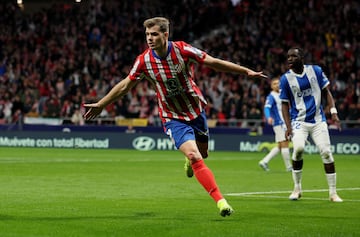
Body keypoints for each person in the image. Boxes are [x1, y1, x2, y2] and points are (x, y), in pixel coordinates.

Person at [83, 17, 267, 217]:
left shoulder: (183, 49)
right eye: (147, 35)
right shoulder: (143, 61)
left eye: (154, 34)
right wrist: (102, 104)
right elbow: (125, 85)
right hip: (172, 116)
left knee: (202, 154)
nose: (150, 39)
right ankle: (221, 201)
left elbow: (213, 62)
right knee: (195, 155)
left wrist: (245, 71)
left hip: (195, 111)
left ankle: (191, 160)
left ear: (165, 34)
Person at [279, 47, 343, 202]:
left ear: (301, 57)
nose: (289, 59)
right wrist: (288, 127)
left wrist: (333, 111)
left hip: (318, 120)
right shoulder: (285, 79)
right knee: (299, 149)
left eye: (293, 56)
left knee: (326, 152)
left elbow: (327, 92)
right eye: (288, 57)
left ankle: (333, 193)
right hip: (298, 121)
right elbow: (285, 105)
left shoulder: (316, 71)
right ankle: (297, 188)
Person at [259, 77, 292, 172]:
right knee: (285, 143)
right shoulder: (271, 96)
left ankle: (264, 161)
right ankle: (289, 167)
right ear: (271, 86)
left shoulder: (283, 95)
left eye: (278, 83)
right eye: (274, 84)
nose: (277, 85)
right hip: (279, 123)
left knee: (280, 146)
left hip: (285, 123)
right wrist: (268, 117)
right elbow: (267, 108)